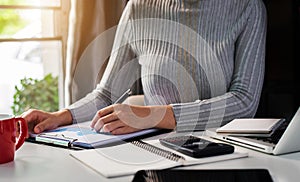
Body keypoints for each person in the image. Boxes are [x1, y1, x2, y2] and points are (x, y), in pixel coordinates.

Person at [22, 0, 267, 135]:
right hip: (154, 156)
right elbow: (107, 95)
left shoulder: (247, 7)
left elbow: (244, 102)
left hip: (223, 156)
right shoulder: (138, 9)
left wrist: (153, 115)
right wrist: (59, 116)